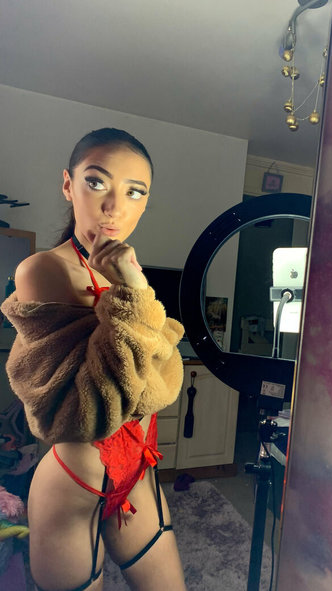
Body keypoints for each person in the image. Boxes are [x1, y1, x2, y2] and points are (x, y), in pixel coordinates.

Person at [1, 128, 186, 591]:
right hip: (74, 485)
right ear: (69, 185)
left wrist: (133, 289)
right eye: (97, 182)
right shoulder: (43, 270)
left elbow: (165, 382)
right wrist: (133, 295)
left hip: (137, 473)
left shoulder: (128, 274)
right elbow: (86, 413)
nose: (114, 206)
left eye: (135, 191)